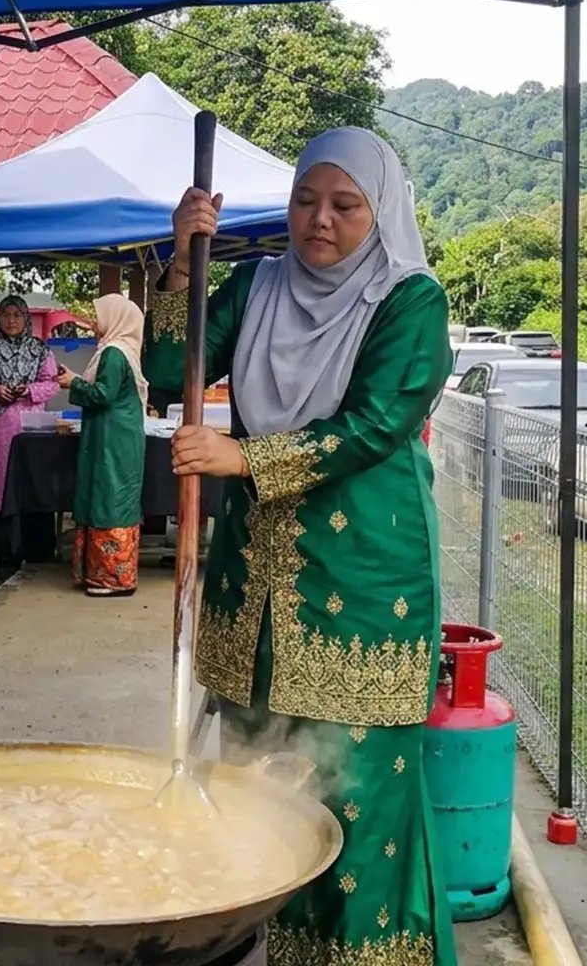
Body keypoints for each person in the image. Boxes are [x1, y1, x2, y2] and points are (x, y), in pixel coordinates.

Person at [166, 127, 456, 965]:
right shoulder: (256, 286)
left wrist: (243, 456)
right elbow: (163, 363)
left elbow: (374, 426)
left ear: (381, 210)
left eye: (344, 205)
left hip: (364, 584)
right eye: (304, 201)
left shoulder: (410, 301)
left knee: (356, 804)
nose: (319, 221)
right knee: (260, 799)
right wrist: (186, 265)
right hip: (252, 588)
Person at [55, 294, 146, 596]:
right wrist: (78, 381)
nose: (94, 324)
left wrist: (73, 383)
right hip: (116, 437)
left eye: (99, 317)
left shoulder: (114, 353)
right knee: (112, 494)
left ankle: (110, 577)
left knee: (110, 497)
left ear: (116, 318)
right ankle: (105, 573)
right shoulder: (122, 351)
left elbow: (103, 395)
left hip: (112, 440)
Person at [0, 295, 59, 570]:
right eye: (6, 315)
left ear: (26, 318)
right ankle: (5, 553)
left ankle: (37, 552)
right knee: (0, 486)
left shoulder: (40, 350)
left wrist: (28, 391)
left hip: (32, 429)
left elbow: (52, 383)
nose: (11, 321)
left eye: (17, 315)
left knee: (31, 484)